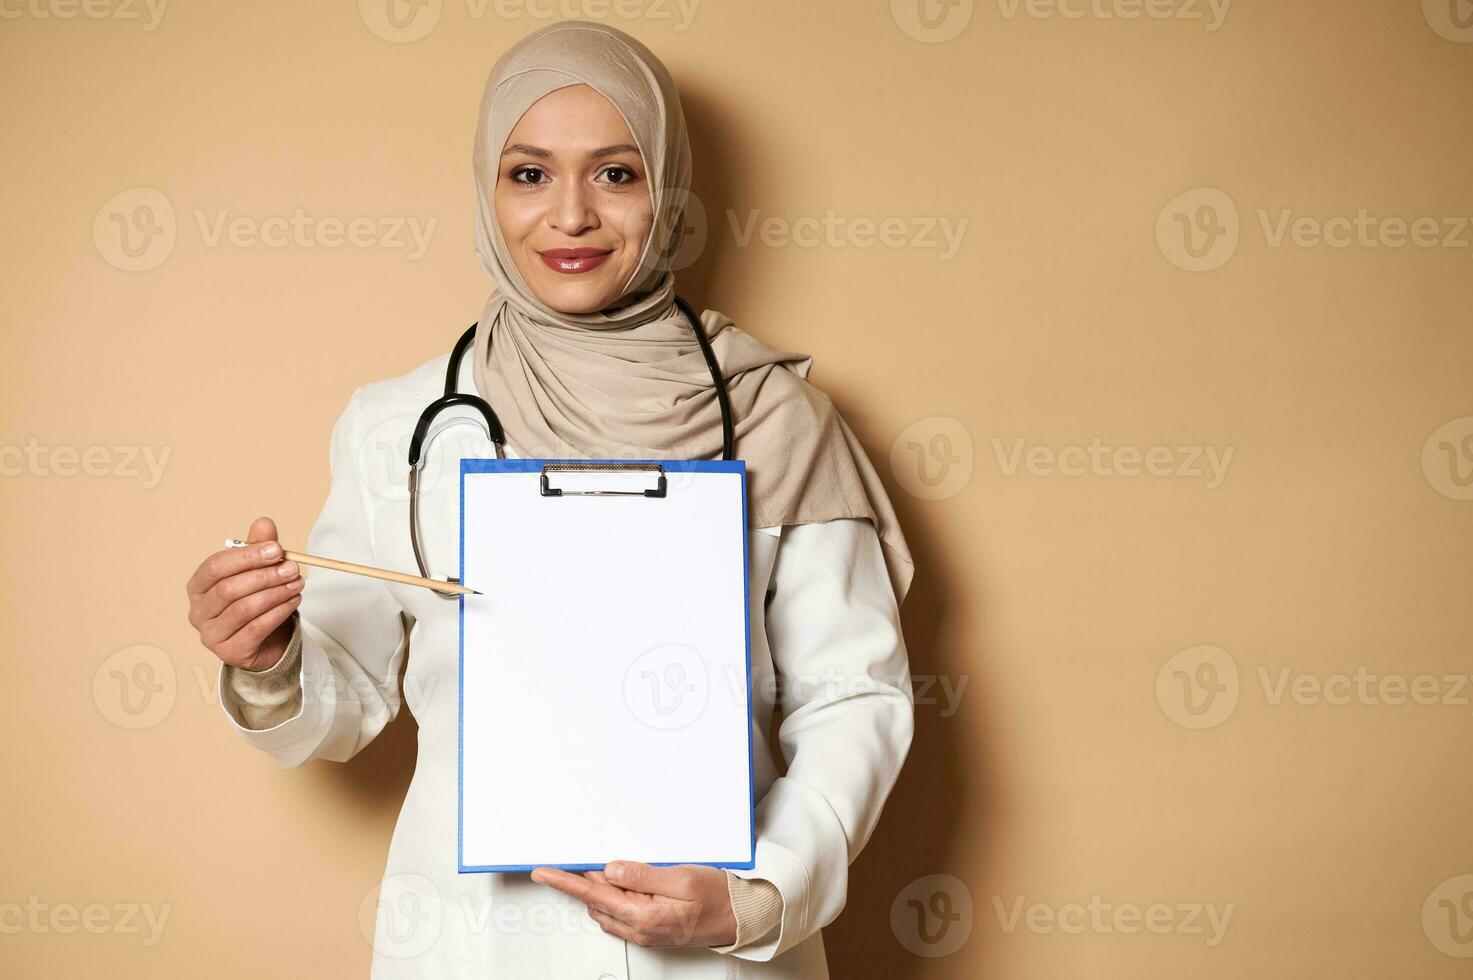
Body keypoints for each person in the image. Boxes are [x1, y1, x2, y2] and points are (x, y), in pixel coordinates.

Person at [183, 20, 916, 979]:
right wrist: (270, 655)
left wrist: (760, 892)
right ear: (487, 188)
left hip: (714, 948)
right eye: (528, 175)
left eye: (616, 173)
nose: (569, 216)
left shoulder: (774, 415)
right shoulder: (402, 425)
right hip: (474, 943)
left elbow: (850, 695)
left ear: (668, 187)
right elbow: (345, 699)